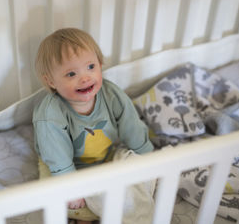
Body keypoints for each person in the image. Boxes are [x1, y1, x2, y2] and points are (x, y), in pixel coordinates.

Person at [33, 28, 154, 224]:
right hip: (65, 165)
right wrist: (71, 187)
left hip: (107, 154)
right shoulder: (50, 114)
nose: (85, 78)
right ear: (51, 81)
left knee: (135, 166)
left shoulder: (110, 93)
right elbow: (56, 153)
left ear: (100, 64)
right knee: (58, 198)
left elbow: (129, 123)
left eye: (90, 67)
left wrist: (145, 154)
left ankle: (115, 207)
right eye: (71, 73)